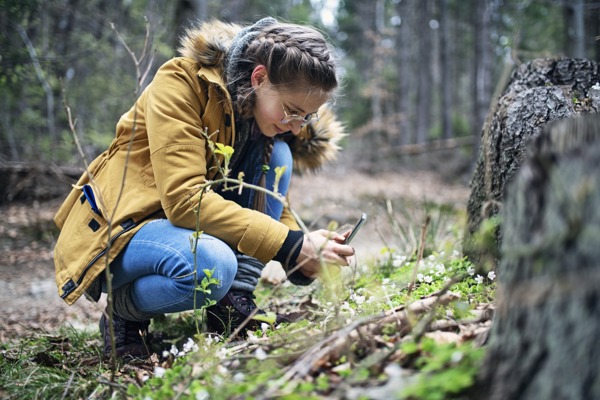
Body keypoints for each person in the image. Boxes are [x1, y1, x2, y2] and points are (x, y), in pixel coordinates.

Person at [52, 17, 354, 360]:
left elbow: (271, 204)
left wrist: (303, 254)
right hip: (125, 230)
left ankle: (231, 309)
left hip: (181, 230)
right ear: (258, 78)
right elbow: (185, 200)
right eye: (292, 111)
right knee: (212, 265)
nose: (298, 126)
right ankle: (123, 313)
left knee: (282, 153)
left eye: (307, 117)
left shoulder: (260, 120)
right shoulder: (180, 83)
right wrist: (289, 246)